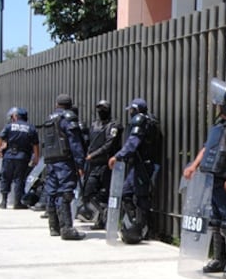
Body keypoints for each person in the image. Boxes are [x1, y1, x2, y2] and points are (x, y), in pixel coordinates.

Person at [182, 79, 226, 278]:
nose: (218, 105)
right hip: (214, 181)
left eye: (221, 103)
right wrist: (194, 165)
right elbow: (207, 148)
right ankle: (219, 259)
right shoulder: (222, 125)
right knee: (215, 222)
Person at [111, 97, 161, 242]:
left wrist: (118, 156)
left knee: (142, 197)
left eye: (131, 110)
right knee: (126, 193)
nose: (130, 113)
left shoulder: (141, 121)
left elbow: (133, 143)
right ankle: (134, 222)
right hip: (137, 165)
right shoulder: (147, 121)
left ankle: (143, 228)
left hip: (143, 165)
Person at [38, 93, 87, 240]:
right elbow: (75, 143)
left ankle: (54, 227)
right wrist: (80, 163)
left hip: (50, 161)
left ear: (56, 104)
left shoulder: (49, 118)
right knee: (65, 192)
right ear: (70, 105)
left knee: (51, 192)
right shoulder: (68, 118)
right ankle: (66, 228)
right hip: (64, 161)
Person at [80, 99, 120, 228]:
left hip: (106, 165)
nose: (100, 111)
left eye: (103, 109)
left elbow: (109, 144)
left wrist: (93, 155)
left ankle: (102, 221)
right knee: (88, 193)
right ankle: (102, 214)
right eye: (99, 109)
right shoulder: (94, 125)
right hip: (92, 165)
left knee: (104, 194)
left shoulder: (114, 125)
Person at [0, 106, 39, 209]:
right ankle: (17, 202)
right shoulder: (31, 128)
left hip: (9, 155)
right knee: (19, 179)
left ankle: (4, 201)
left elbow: (0, 139)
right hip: (23, 157)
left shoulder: (9, 126)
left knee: (5, 177)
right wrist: (36, 157)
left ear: (15, 116)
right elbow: (35, 144)